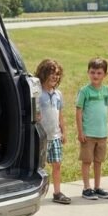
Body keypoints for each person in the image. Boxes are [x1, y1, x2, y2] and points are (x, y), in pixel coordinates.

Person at [76, 58, 108, 199]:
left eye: (99, 73)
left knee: (98, 162)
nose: (95, 75)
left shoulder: (107, 90)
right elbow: (78, 112)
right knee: (87, 161)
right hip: (88, 134)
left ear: (105, 75)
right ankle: (86, 188)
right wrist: (80, 132)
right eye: (92, 72)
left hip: (102, 134)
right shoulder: (84, 91)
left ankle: (97, 187)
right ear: (88, 73)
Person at [37, 59, 69, 204]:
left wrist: (63, 132)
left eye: (57, 74)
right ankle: (36, 192)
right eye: (51, 73)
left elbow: (60, 115)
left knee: (57, 164)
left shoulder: (58, 94)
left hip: (55, 135)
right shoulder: (39, 94)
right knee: (39, 166)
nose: (55, 77)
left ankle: (57, 192)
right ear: (43, 74)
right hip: (42, 137)